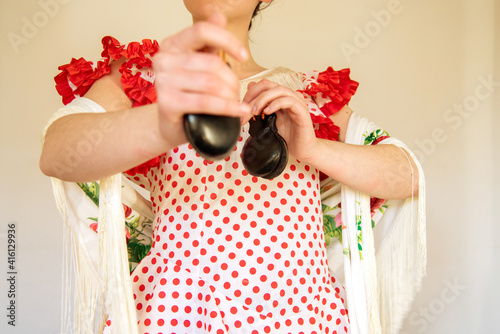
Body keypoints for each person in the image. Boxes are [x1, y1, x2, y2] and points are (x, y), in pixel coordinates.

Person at [40, 1, 426, 333]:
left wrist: (311, 148)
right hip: (179, 312)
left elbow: (406, 175)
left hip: (299, 313)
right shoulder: (143, 80)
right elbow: (58, 152)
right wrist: (171, 120)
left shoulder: (303, 94)